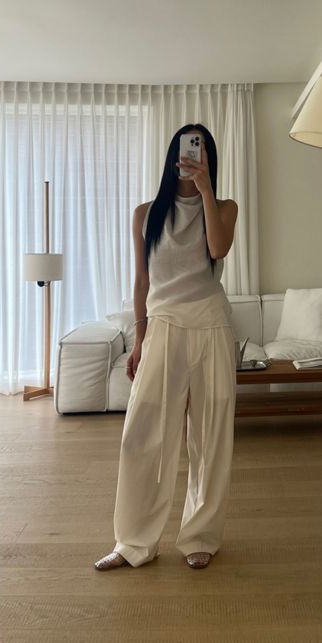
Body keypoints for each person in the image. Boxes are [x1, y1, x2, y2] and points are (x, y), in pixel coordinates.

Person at [95, 123, 238, 571]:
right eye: (186, 147)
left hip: (212, 326)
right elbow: (142, 281)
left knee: (210, 436)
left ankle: (201, 536)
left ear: (209, 158)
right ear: (173, 154)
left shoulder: (225, 208)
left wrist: (206, 189)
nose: (191, 155)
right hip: (163, 327)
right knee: (142, 434)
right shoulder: (146, 214)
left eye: (200, 149)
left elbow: (218, 248)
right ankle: (133, 542)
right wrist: (139, 340)